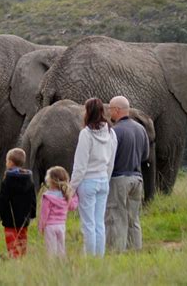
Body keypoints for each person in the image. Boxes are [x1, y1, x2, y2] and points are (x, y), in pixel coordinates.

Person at [71, 98, 118, 257]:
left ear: (88, 112)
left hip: (87, 182)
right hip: (103, 181)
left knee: (88, 225)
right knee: (99, 224)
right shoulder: (111, 133)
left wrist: (71, 188)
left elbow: (80, 166)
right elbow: (111, 162)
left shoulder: (86, 134)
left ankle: (90, 259)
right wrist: (106, 179)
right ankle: (99, 258)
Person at [106, 96, 149, 252]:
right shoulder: (141, 129)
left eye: (110, 109)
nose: (109, 112)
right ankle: (135, 250)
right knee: (133, 218)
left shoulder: (115, 131)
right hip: (137, 179)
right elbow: (145, 156)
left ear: (117, 110)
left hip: (118, 179)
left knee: (116, 217)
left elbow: (109, 158)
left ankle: (116, 251)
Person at [0, 148, 36, 258]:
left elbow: (2, 199)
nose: (6, 163)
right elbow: (33, 198)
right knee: (22, 239)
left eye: (7, 161)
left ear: (11, 162)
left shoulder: (8, 180)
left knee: (11, 240)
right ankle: (22, 258)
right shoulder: (29, 179)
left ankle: (14, 259)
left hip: (9, 220)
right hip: (24, 219)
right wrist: (32, 214)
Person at [38, 166, 78, 257]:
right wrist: (75, 196)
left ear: (51, 181)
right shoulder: (66, 196)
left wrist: (41, 226)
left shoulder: (47, 196)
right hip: (61, 225)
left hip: (50, 226)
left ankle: (51, 266)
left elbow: (44, 214)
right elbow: (72, 206)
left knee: (51, 250)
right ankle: (61, 265)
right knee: (61, 248)